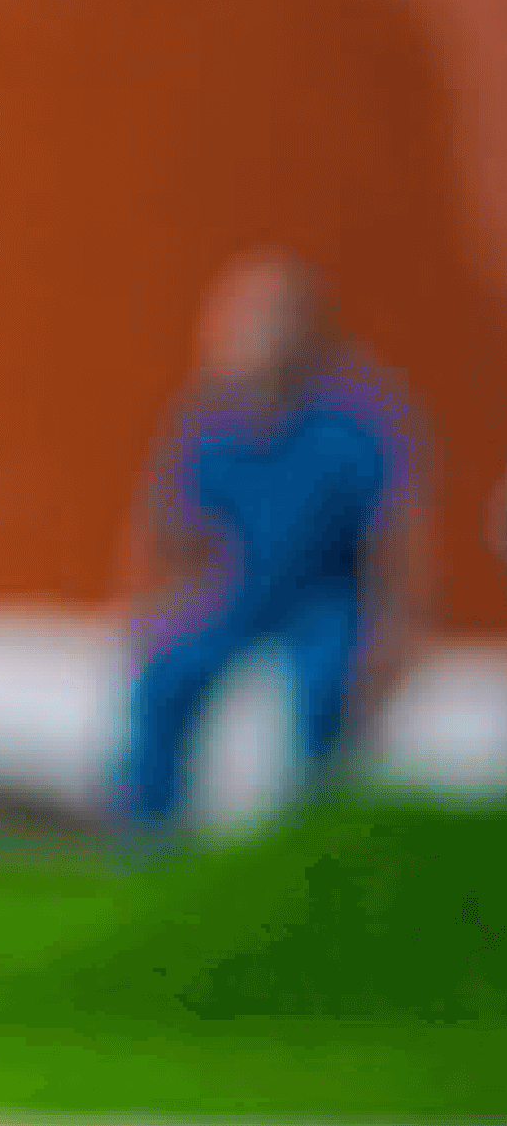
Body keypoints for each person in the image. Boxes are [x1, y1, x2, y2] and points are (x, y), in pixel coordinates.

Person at [118, 250, 421, 835]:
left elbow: (398, 532)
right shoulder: (212, 415)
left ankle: (318, 835)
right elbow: (165, 526)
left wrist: (400, 632)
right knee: (166, 675)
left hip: (331, 594)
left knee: (325, 683)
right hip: (244, 592)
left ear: (306, 324)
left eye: (266, 314)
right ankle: (146, 839)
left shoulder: (355, 413)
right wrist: (146, 613)